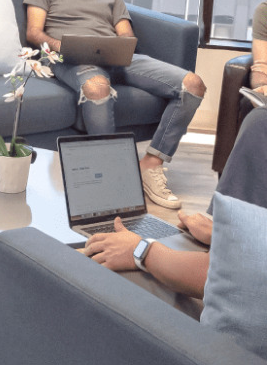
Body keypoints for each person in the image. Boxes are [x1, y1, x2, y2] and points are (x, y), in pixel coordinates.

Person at [25, 0, 206, 210]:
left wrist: (118, 47)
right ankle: (108, 176)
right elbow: (34, 33)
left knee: (192, 85)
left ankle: (151, 163)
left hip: (118, 58)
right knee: (97, 87)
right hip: (71, 58)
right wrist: (61, 45)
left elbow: (126, 37)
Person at [81, 105, 267, 298]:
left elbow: (225, 280)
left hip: (223, 319)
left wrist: (141, 250)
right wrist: (223, 235)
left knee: (105, 282)